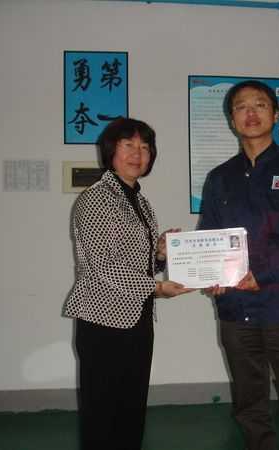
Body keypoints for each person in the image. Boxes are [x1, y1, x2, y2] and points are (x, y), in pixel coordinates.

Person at [199, 80, 279, 450]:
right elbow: (209, 234)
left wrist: (263, 274)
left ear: (276, 114)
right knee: (249, 405)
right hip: (235, 308)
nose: (251, 113)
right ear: (232, 119)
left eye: (259, 104)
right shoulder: (219, 178)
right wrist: (210, 274)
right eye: (241, 106)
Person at [63, 117, 192, 450]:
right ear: (111, 151)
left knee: (131, 408)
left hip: (137, 319)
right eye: (129, 145)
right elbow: (102, 264)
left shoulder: (140, 201)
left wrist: (160, 254)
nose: (138, 154)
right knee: (102, 412)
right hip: (103, 320)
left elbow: (138, 264)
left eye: (145, 147)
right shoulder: (96, 199)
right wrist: (156, 288)